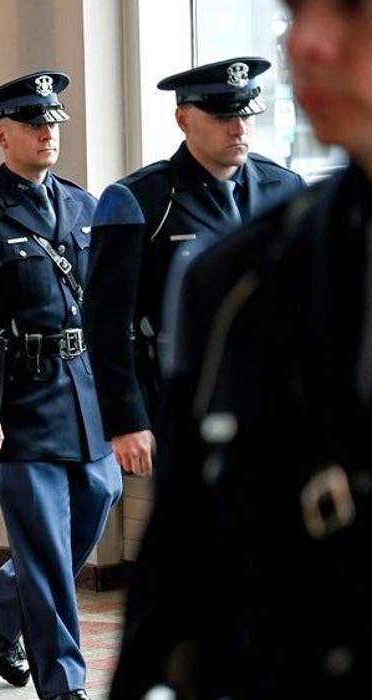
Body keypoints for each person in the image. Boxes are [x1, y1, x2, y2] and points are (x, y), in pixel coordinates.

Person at [111, 0, 372, 697]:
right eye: (295, 9)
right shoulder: (242, 277)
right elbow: (180, 561)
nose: (305, 42)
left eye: (354, 8)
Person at [0, 71, 123, 700]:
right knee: (42, 547)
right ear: (1, 135)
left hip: (85, 394)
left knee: (100, 496)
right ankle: (64, 681)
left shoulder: (85, 208)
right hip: (19, 403)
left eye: (52, 123)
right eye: (33, 124)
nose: (47, 133)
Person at [84, 57, 304, 478]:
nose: (239, 128)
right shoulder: (139, 199)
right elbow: (106, 323)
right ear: (183, 119)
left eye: (246, 115)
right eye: (223, 117)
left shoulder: (284, 187)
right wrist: (126, 420)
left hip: (272, 394)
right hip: (182, 396)